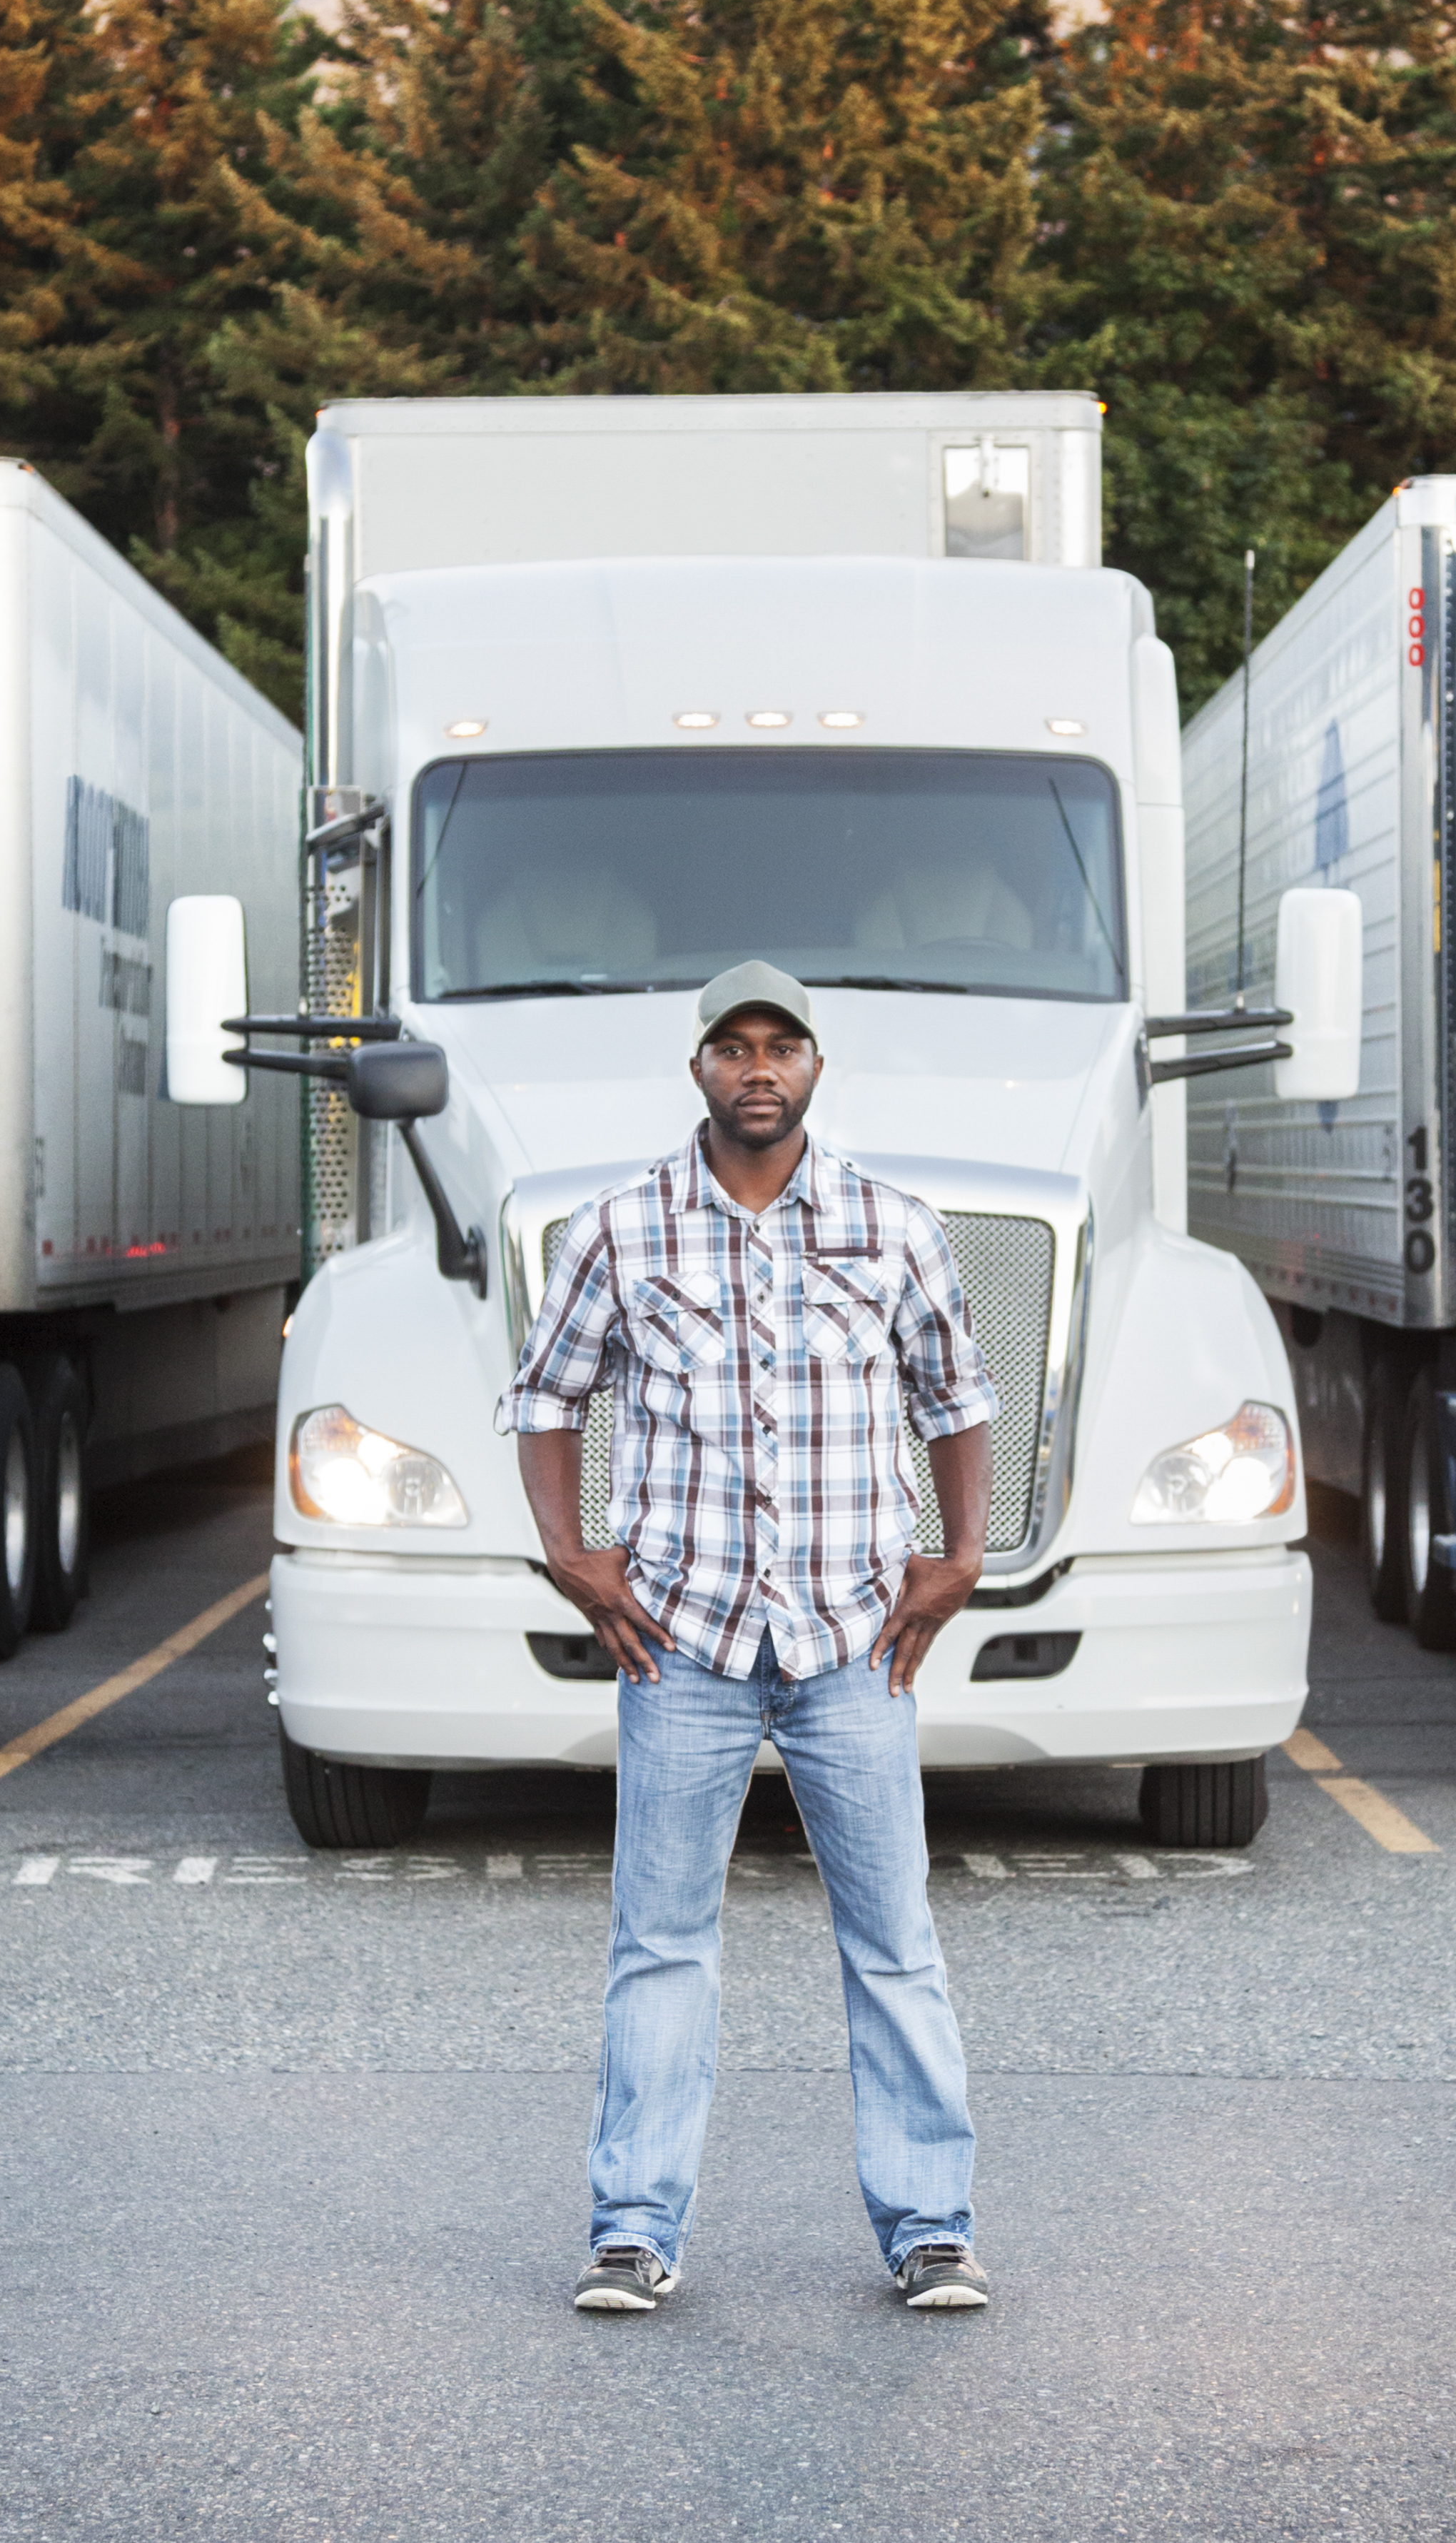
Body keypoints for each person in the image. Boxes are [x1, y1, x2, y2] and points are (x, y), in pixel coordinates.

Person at [497, 959, 1001, 2315]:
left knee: (893, 1939)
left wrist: (959, 1561)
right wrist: (574, 1553)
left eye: (782, 1046)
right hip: (686, 1644)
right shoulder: (624, 1229)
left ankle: (930, 2228)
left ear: (818, 1068)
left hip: (850, 1643)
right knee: (660, 1941)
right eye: (733, 1047)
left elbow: (957, 1396)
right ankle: (632, 2230)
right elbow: (547, 1397)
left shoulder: (892, 1227)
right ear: (700, 1070)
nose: (758, 1068)